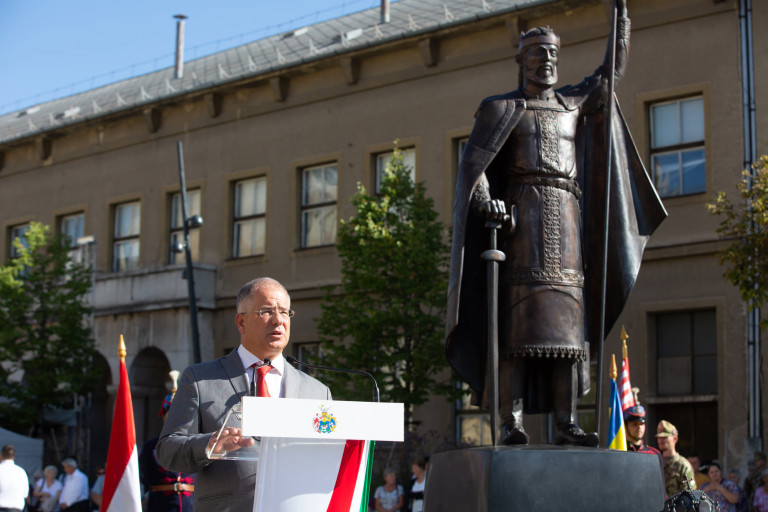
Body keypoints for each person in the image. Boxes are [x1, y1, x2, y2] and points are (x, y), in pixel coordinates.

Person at [445, 0, 666, 446]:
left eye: (551, 55)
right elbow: (477, 168)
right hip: (520, 226)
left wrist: (620, 20)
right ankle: (512, 423)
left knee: (567, 333)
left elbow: (608, 77)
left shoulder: (572, 104)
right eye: (536, 54)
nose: (545, 62)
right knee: (516, 332)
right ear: (521, 61)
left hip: (567, 222)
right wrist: (488, 202)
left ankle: (567, 422)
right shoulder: (500, 109)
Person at [157, 277, 332, 512]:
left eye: (285, 312)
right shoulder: (200, 380)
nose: (279, 320)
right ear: (241, 322)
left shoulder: (318, 391)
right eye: (267, 311)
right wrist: (209, 445)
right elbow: (168, 450)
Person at [140, 391, 194, 511]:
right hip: (161, 505)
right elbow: (144, 479)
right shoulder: (151, 446)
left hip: (190, 505)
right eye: (171, 414)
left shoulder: (195, 442)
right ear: (164, 416)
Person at [656, 420, 696, 496]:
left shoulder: (683, 465)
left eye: (664, 437)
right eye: (659, 437)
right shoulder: (656, 462)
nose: (660, 441)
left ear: (675, 439)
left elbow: (690, 496)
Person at [0, 445, 30, 512]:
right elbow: (25, 495)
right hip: (16, 509)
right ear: (13, 457)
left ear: (1, 456)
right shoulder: (21, 472)